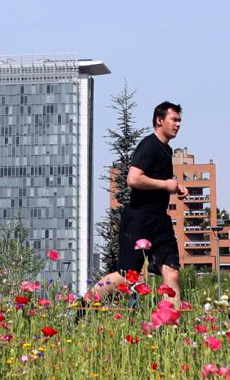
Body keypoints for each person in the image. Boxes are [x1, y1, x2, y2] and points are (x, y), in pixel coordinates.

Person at [82, 101, 188, 306]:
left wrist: (175, 187)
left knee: (172, 273)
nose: (178, 124)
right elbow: (133, 179)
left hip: (160, 220)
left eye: (179, 120)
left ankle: (171, 322)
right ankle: (82, 307)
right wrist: (166, 184)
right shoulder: (149, 145)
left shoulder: (166, 149)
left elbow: (156, 180)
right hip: (140, 217)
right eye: (174, 120)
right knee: (126, 275)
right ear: (160, 120)